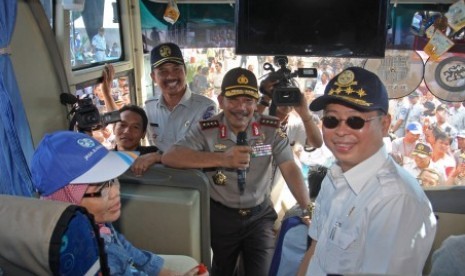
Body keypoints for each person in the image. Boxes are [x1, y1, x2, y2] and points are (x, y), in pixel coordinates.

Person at [162, 67, 312, 275]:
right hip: (220, 217)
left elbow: (290, 167)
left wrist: (308, 208)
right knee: (222, 270)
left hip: (259, 217)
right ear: (221, 99)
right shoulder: (206, 129)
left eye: (249, 101)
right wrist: (222, 158)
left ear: (255, 102)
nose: (241, 108)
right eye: (234, 100)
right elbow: (170, 156)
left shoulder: (270, 128)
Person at [297, 67, 437, 276]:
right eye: (331, 120)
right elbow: (315, 251)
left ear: (385, 124)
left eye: (356, 121)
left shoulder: (395, 199)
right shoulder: (334, 176)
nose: (341, 131)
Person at [31, 131, 207, 276]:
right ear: (68, 198)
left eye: (114, 180)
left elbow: (126, 249)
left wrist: (166, 273)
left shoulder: (96, 220)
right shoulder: (84, 257)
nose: (116, 192)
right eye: (102, 187)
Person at [145, 42, 218, 153]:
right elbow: (124, 128)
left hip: (192, 170)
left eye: (176, 69)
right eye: (163, 71)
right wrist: (107, 94)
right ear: (153, 77)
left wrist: (160, 158)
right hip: (158, 170)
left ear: (185, 71)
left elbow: (207, 152)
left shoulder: (206, 108)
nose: (171, 76)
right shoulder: (149, 109)